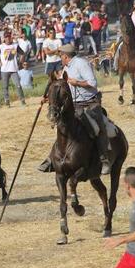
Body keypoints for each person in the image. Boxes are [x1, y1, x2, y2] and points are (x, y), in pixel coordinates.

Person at [39, 44, 110, 174]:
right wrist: (49, 98)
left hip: (90, 103)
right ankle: (52, 158)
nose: (60, 57)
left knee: (96, 128)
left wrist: (76, 82)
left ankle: (103, 159)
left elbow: (93, 83)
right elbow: (60, 86)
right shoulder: (67, 66)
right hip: (74, 104)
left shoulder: (82, 64)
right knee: (63, 126)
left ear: (65, 56)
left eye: (61, 55)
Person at [0, 32, 25, 107]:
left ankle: (22, 100)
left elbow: (22, 53)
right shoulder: (1, 46)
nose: (8, 38)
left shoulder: (15, 45)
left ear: (10, 37)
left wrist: (20, 62)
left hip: (14, 69)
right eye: (6, 37)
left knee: (18, 85)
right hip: (4, 69)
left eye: (9, 37)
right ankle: (7, 101)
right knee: (5, 86)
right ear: (4, 38)